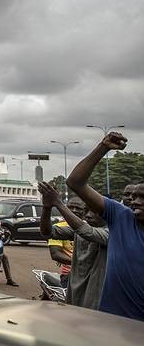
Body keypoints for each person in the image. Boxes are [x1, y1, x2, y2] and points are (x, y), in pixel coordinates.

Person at [66, 131, 144, 321]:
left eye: (143, 197)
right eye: (134, 197)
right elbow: (75, 182)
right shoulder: (121, 216)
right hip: (110, 320)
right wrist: (103, 147)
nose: (135, 201)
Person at [37, 182, 108, 310]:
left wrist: (58, 203)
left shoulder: (109, 232)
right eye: (86, 210)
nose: (88, 215)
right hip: (74, 289)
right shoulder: (77, 230)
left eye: (94, 211)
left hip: (96, 295)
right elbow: (46, 232)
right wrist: (47, 207)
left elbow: (87, 232)